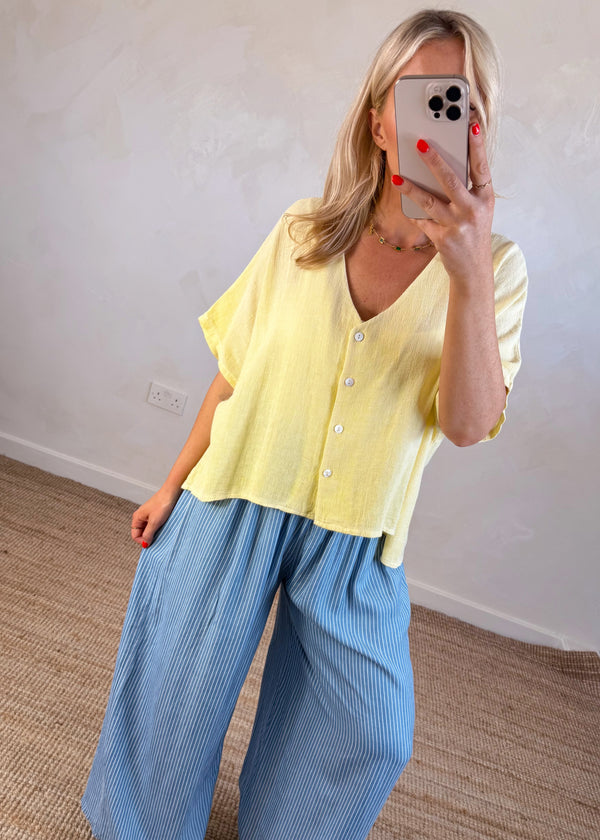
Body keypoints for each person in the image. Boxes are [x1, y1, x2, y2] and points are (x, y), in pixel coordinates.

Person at [81, 9, 527, 840]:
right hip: (233, 502)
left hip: (357, 541)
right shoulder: (303, 232)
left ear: (479, 126)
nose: (440, 114)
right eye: (420, 94)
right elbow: (234, 375)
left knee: (370, 732)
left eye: (460, 100)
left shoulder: (497, 270)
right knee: (170, 698)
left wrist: (466, 272)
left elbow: (468, 425)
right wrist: (170, 486)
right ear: (378, 121)